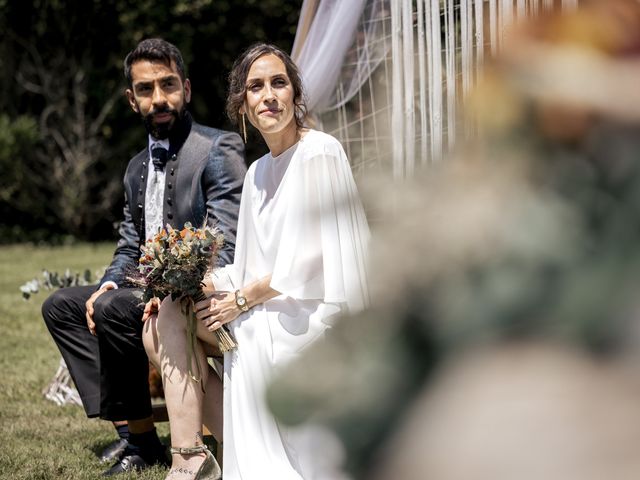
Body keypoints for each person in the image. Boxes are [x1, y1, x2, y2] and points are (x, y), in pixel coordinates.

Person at [142, 42, 370, 479]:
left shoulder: (319, 152)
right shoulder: (258, 172)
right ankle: (190, 457)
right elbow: (245, 267)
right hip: (264, 303)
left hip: (311, 316)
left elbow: (313, 258)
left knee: (198, 325)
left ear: (294, 96)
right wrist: (188, 285)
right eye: (256, 86)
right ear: (242, 105)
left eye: (279, 83)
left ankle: (213, 454)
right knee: (163, 320)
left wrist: (242, 301)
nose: (269, 95)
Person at [42, 38, 246, 476]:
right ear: (131, 100)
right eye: (146, 89)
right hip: (138, 288)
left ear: (186, 89)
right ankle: (136, 434)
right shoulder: (135, 166)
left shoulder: (218, 148)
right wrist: (110, 282)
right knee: (63, 306)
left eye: (167, 85)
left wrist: (160, 288)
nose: (159, 99)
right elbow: (129, 243)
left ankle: (139, 442)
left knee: (115, 309)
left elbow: (223, 243)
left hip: (193, 294)